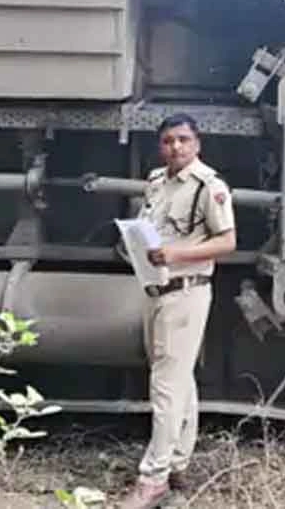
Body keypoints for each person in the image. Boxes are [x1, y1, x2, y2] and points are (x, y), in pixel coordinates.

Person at [120, 113, 237, 509]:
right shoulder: (157, 183)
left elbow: (227, 242)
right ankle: (178, 464)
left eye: (184, 140)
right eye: (168, 140)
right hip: (156, 289)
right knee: (177, 380)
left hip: (186, 292)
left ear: (197, 143)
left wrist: (176, 253)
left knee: (165, 388)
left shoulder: (209, 186)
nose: (176, 147)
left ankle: (152, 480)